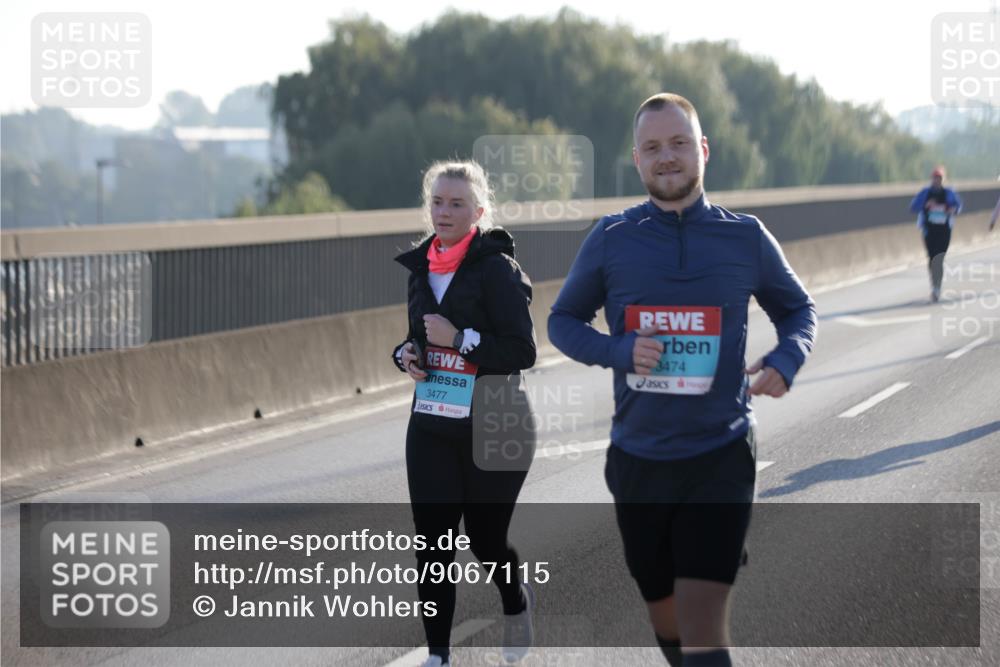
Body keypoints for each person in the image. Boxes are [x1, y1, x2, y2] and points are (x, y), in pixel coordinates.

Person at [548, 93, 817, 667]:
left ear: (703, 151)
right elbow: (561, 321)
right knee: (666, 617)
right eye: (652, 148)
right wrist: (619, 349)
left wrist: (785, 362)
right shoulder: (611, 238)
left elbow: (799, 311)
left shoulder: (744, 237)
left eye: (677, 144)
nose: (666, 157)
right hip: (638, 461)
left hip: (719, 454)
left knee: (701, 627)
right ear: (637, 160)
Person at [391, 160, 537, 667]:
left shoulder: (497, 269)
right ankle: (438, 654)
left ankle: (515, 600)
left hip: (495, 421)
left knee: (484, 539)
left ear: (478, 211)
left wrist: (461, 340)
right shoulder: (420, 269)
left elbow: (522, 350)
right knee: (433, 541)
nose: (444, 211)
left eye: (456, 204)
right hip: (432, 423)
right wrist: (406, 356)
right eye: (437, 202)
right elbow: (418, 337)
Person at [909, 166, 963, 302]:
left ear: (944, 179)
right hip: (929, 230)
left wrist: (950, 208)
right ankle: (934, 286)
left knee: (939, 258)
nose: (937, 180)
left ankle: (937, 286)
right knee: (931, 257)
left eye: (940, 178)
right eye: (935, 178)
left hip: (944, 230)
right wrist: (926, 205)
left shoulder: (949, 193)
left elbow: (959, 207)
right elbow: (913, 207)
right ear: (932, 179)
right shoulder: (925, 193)